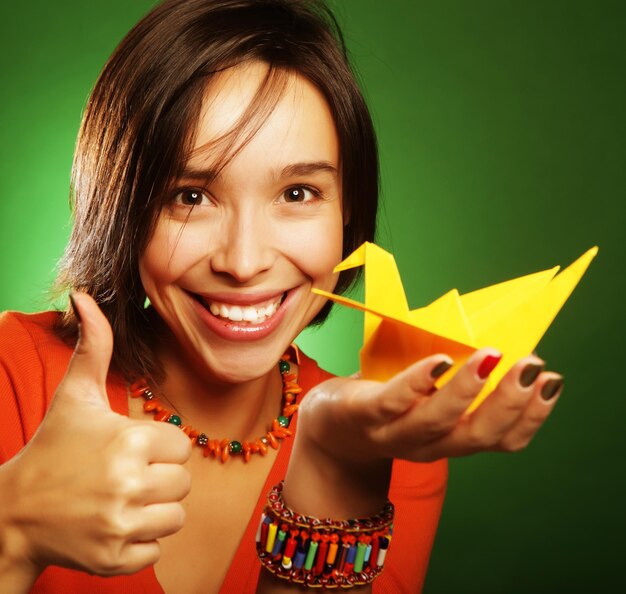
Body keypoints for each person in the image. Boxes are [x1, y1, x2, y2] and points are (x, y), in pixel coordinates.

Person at [0, 0, 564, 592]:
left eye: (297, 193)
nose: (244, 263)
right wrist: (11, 529)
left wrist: (335, 463)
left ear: (349, 212)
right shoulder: (15, 376)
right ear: (124, 208)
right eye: (190, 196)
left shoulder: (391, 440)